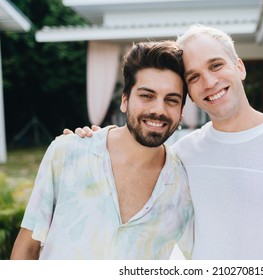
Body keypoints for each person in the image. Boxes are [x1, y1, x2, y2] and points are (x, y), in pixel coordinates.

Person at [67, 24, 263, 260]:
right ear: (189, 92)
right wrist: (91, 144)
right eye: (194, 77)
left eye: (216, 65)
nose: (210, 82)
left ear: (239, 67)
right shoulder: (181, 155)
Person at [10, 41, 193, 260]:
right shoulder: (67, 152)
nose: (158, 110)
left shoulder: (186, 184)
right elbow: (27, 247)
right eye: (146, 96)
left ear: (181, 112)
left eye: (171, 100)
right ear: (125, 101)